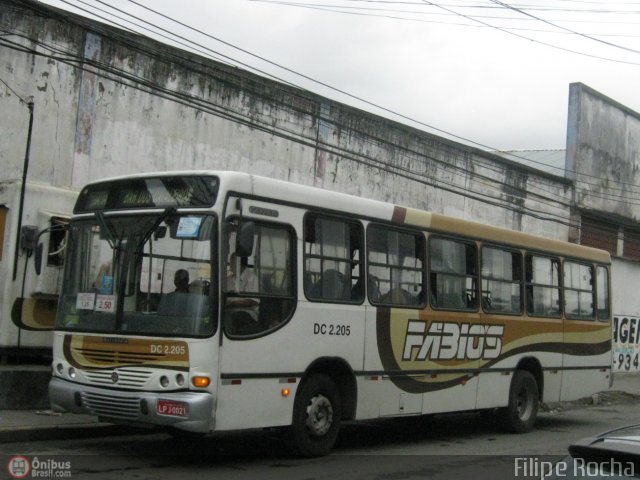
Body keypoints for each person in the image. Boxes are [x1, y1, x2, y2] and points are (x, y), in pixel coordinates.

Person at [226, 254, 260, 328]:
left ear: (240, 263)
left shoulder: (252, 278)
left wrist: (231, 303)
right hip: (228, 310)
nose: (230, 264)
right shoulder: (228, 279)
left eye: (232, 262)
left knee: (236, 316)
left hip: (246, 313)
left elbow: (252, 301)